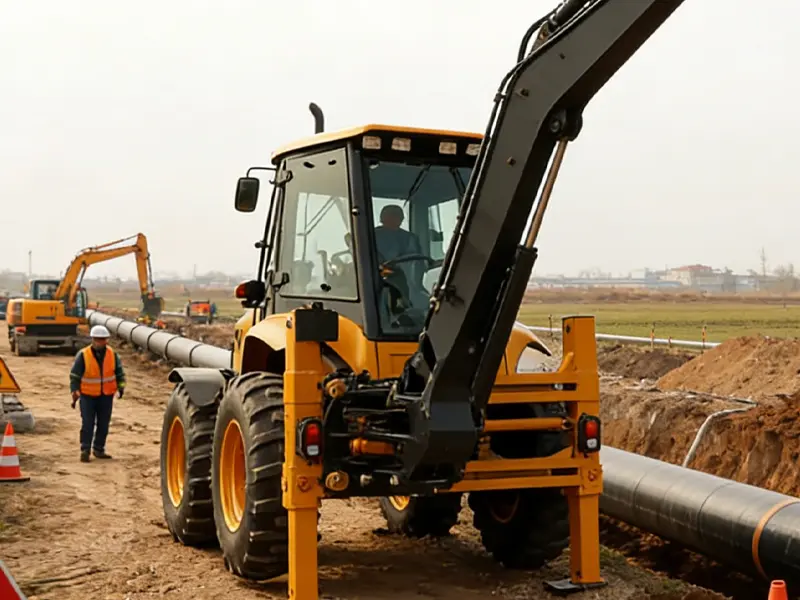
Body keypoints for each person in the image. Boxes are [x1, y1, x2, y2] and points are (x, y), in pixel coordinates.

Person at [69, 325, 126, 463]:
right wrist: (74, 390)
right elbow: (75, 375)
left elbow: (119, 373)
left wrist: (121, 387)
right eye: (98, 339)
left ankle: (99, 449)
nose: (100, 342)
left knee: (103, 424)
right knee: (88, 423)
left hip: (105, 395)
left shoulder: (112, 355)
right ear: (93, 339)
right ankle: (85, 449)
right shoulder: (83, 355)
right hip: (88, 396)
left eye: (103, 340)